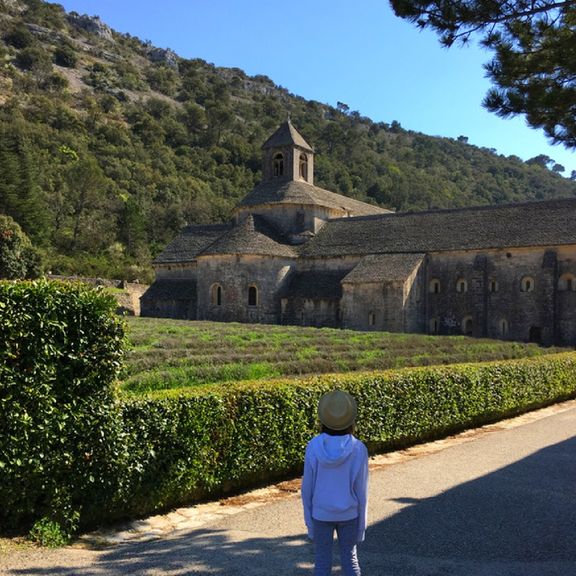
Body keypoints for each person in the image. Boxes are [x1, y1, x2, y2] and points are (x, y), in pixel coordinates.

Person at [301, 390, 369, 576]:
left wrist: (309, 522)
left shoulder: (314, 446)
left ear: (324, 419)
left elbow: (307, 488)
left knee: (322, 562)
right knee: (350, 559)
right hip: (349, 514)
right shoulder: (358, 448)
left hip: (321, 513)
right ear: (350, 420)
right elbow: (362, 491)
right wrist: (361, 527)